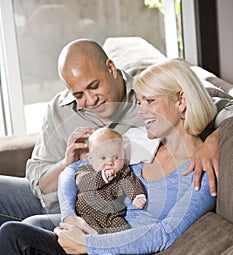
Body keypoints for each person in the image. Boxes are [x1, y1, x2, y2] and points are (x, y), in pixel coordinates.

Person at [0, 59, 217, 255]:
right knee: (13, 234)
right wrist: (71, 217)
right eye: (140, 102)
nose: (141, 111)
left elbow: (163, 234)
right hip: (96, 248)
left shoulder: (200, 171)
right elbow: (73, 171)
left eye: (150, 101)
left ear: (181, 101)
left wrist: (87, 245)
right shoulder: (140, 145)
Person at [0, 39, 231, 227]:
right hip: (52, 198)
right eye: (78, 95)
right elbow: (36, 179)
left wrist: (214, 139)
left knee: (26, 230)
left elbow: (220, 106)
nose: (90, 100)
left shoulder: (148, 97)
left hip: (99, 211)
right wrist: (65, 165)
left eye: (94, 86)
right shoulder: (59, 108)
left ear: (111, 68)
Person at [74, 127, 146, 255]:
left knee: (122, 230)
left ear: (123, 155)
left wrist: (137, 196)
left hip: (112, 214)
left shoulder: (123, 173)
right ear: (91, 158)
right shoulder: (86, 170)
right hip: (87, 213)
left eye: (115, 157)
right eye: (103, 158)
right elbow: (83, 183)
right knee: (91, 232)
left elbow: (131, 183)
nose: (110, 163)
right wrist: (102, 177)